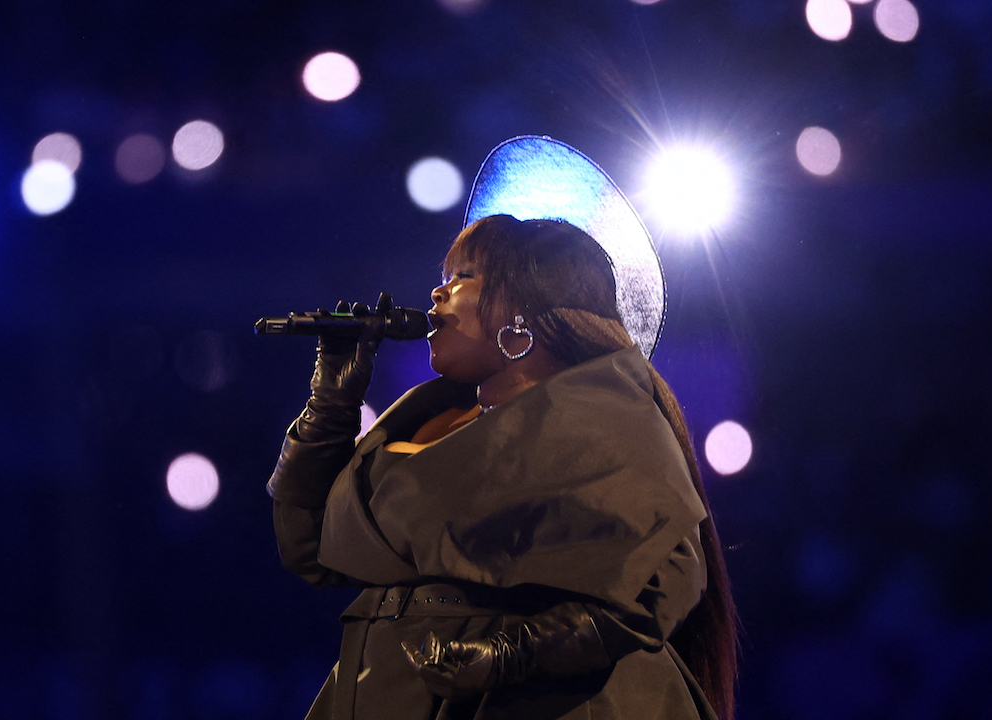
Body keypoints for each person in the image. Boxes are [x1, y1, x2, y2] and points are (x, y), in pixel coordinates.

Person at [267, 212, 739, 720]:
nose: (436, 294)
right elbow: (310, 549)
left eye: (463, 277)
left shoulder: (608, 420)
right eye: (444, 278)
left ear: (525, 311)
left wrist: (511, 654)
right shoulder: (426, 421)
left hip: (536, 703)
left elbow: (663, 582)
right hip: (390, 691)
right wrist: (329, 406)